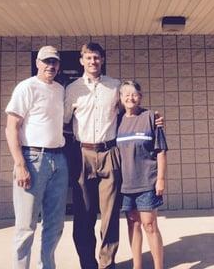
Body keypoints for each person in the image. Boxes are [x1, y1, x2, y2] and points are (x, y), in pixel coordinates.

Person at [64, 42, 162, 269]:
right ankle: (88, 264)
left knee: (109, 216)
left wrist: (152, 117)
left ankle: (107, 264)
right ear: (81, 60)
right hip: (83, 154)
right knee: (84, 214)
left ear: (102, 60)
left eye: (96, 57)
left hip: (110, 153)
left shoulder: (114, 86)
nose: (93, 62)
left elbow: (130, 109)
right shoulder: (72, 89)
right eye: (88, 57)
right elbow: (63, 122)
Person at [5, 45, 69, 269]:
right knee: (25, 227)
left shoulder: (60, 89)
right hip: (32, 159)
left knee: (55, 224)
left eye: (54, 62)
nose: (51, 66)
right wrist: (20, 164)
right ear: (37, 63)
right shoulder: (26, 87)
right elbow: (11, 127)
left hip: (59, 160)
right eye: (46, 61)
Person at [117, 80, 167, 269]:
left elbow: (161, 151)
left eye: (134, 94)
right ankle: (136, 266)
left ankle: (158, 266)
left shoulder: (150, 118)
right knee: (133, 224)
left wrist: (160, 179)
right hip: (125, 183)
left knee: (149, 224)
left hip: (147, 181)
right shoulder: (117, 121)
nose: (130, 97)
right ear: (121, 98)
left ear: (140, 97)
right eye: (126, 94)